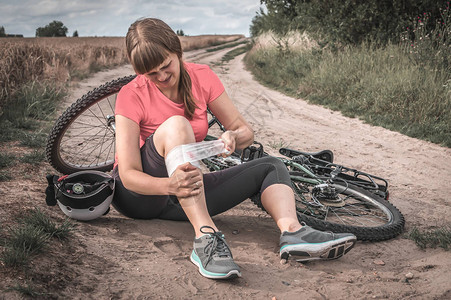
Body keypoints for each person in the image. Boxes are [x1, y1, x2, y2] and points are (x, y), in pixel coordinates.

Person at [112, 17, 357, 280]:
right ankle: (206, 239)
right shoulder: (131, 94)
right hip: (141, 197)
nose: (162, 77)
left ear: (178, 52)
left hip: (182, 197)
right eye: (151, 74)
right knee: (176, 125)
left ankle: (293, 233)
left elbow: (245, 131)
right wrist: (171, 186)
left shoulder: (202, 77)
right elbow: (128, 175)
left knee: (271, 166)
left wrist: (232, 137)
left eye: (166, 66)